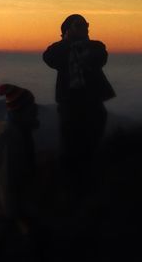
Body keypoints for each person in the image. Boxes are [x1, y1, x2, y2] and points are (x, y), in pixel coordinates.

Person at [42, 14, 114, 199]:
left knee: (91, 144)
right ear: (67, 29)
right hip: (70, 104)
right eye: (79, 25)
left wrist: (79, 44)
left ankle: (87, 184)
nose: (85, 27)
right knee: (70, 146)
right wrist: (69, 42)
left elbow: (101, 57)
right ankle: (72, 188)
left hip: (91, 103)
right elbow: (48, 56)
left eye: (86, 24)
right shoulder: (61, 50)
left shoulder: (95, 47)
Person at [0, 84, 46, 262]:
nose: (36, 109)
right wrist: (15, 214)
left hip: (9, 210)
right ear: (22, 109)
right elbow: (7, 180)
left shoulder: (14, 131)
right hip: (7, 213)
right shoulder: (10, 137)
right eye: (31, 106)